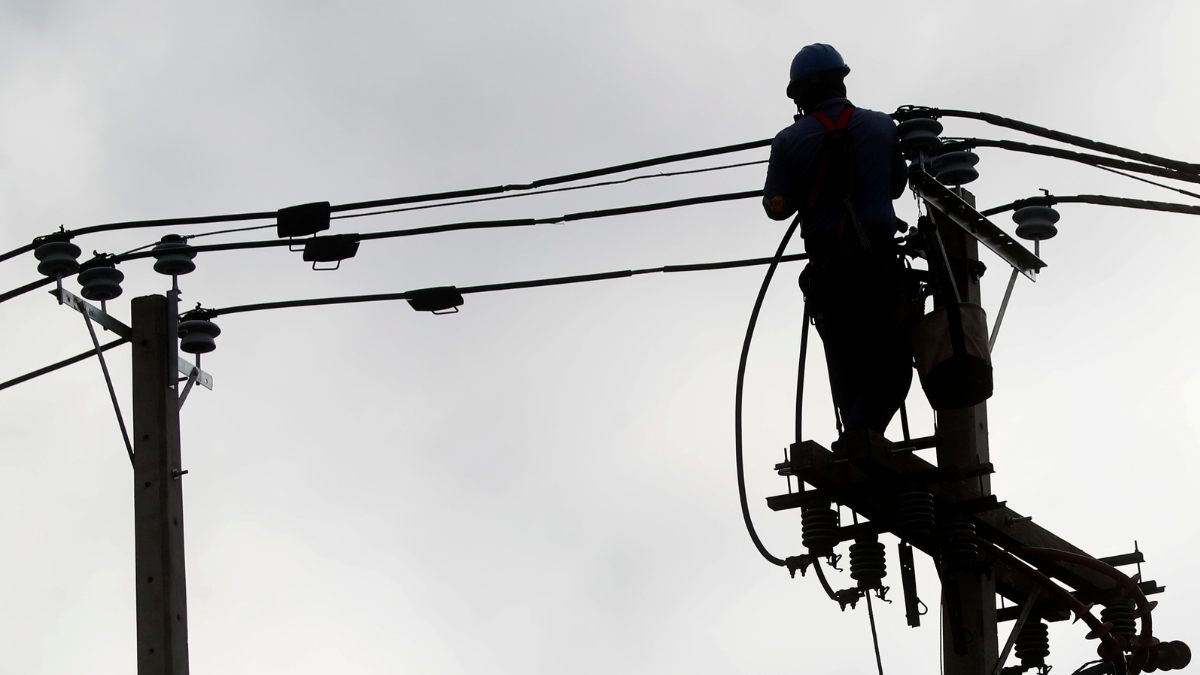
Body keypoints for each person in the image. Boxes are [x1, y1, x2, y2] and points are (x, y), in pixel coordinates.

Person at [762, 43, 914, 441]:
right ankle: (862, 440)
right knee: (893, 368)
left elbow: (777, 208)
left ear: (800, 95)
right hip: (880, 269)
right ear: (841, 82)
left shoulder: (788, 141)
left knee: (847, 370)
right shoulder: (883, 127)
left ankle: (858, 439)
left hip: (830, 276)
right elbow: (897, 186)